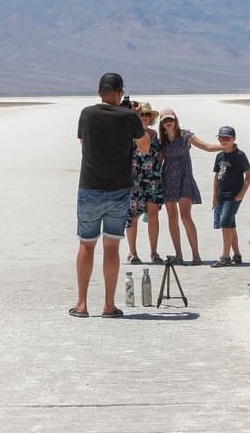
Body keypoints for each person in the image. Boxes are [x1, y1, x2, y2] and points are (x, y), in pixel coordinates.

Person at [70, 73, 150, 318]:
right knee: (112, 245)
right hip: (118, 189)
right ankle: (108, 304)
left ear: (99, 92)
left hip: (90, 187)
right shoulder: (128, 117)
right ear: (120, 92)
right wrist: (134, 119)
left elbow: (83, 144)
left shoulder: (87, 113)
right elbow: (145, 146)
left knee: (86, 244)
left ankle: (82, 304)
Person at [159, 107, 225, 265]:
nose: (169, 122)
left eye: (171, 119)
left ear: (176, 120)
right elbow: (158, 162)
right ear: (161, 123)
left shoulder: (186, 135)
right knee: (172, 218)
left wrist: (226, 146)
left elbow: (207, 147)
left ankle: (196, 255)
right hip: (168, 180)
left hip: (185, 179)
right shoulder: (161, 141)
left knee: (186, 216)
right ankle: (178, 254)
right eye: (165, 120)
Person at [125, 102, 165, 264]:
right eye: (142, 115)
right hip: (134, 179)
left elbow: (160, 156)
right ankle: (132, 252)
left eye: (147, 115)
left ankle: (154, 252)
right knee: (133, 216)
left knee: (153, 215)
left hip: (153, 179)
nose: (144, 118)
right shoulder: (129, 134)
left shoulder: (154, 135)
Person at [211, 126, 250, 267]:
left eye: (227, 138)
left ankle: (225, 256)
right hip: (221, 195)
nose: (224, 141)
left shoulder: (240, 155)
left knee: (225, 223)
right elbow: (216, 177)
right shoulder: (219, 156)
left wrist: (242, 194)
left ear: (233, 139)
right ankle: (237, 254)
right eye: (221, 138)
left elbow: (249, 175)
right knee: (231, 225)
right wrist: (214, 197)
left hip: (233, 196)